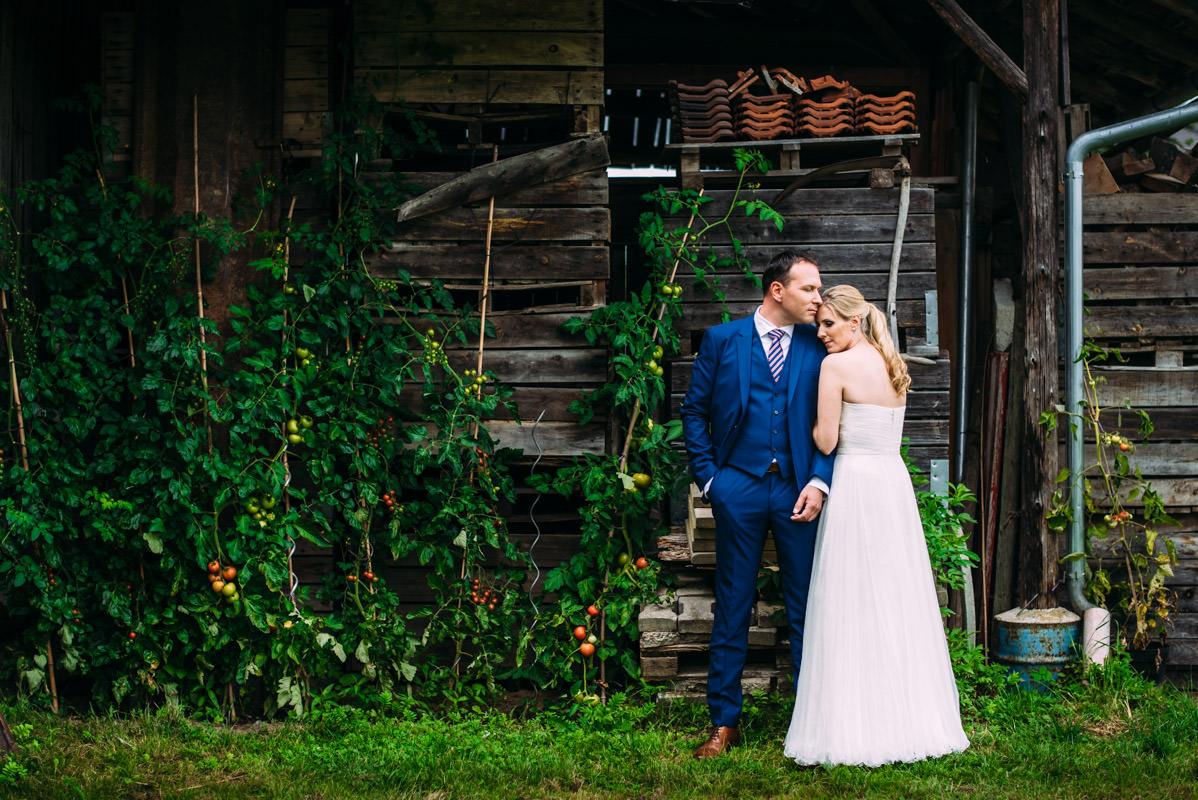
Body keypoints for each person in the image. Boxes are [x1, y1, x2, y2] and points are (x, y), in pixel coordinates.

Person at [783, 284, 969, 767]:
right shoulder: (890, 364)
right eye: (818, 324)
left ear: (853, 322)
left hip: (857, 486)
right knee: (895, 597)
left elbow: (825, 441)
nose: (820, 333)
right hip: (892, 484)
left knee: (848, 599)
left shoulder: (836, 367)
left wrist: (804, 422)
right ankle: (905, 716)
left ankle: (855, 722)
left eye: (828, 324)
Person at [680, 249, 835, 759]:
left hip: (798, 489)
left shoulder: (821, 345)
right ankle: (724, 723)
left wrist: (819, 479)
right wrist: (711, 480)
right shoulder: (723, 340)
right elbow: (694, 412)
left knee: (805, 605)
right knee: (733, 605)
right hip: (738, 487)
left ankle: (811, 724)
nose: (818, 298)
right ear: (778, 291)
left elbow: (840, 423)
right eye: (809, 289)